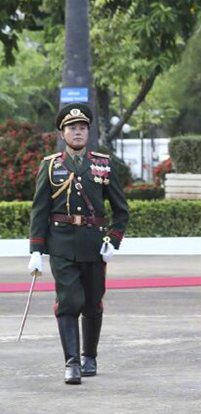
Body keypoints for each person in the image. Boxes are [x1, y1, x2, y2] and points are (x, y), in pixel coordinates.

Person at [28, 102, 129, 384]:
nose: (78, 132)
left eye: (83, 128)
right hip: (61, 245)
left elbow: (121, 210)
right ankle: (71, 362)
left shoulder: (102, 164)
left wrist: (112, 239)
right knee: (70, 301)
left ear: (88, 132)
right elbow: (39, 210)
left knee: (93, 303)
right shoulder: (50, 166)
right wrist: (36, 249)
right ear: (62, 133)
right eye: (72, 128)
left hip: (94, 246)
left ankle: (89, 357)